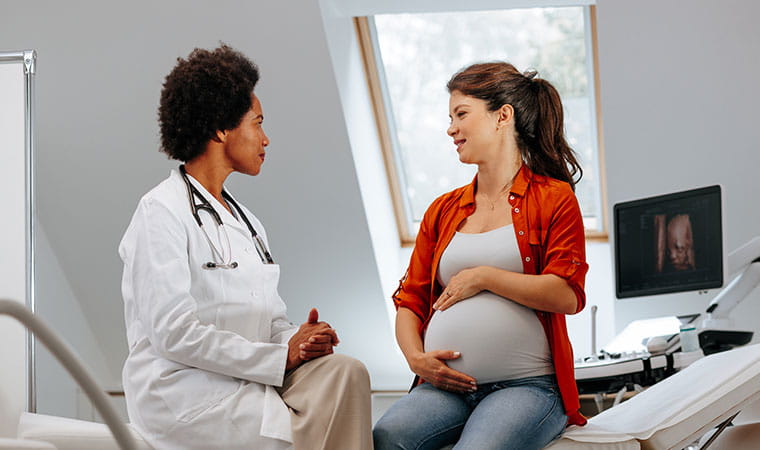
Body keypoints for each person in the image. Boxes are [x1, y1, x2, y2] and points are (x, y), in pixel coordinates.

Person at [118, 45, 372, 450]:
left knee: (347, 373)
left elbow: (270, 322)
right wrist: (277, 358)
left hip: (248, 376)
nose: (266, 138)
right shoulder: (160, 212)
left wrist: (299, 340)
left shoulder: (247, 223)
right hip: (183, 393)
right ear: (221, 128)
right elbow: (174, 334)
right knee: (297, 433)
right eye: (257, 123)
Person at [373, 62, 589, 450]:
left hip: (528, 386)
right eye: (450, 117)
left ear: (502, 116)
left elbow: (566, 294)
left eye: (461, 114)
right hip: (444, 388)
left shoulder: (554, 198)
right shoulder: (443, 210)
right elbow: (411, 299)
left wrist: (484, 277)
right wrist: (416, 359)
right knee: (388, 435)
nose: (451, 128)